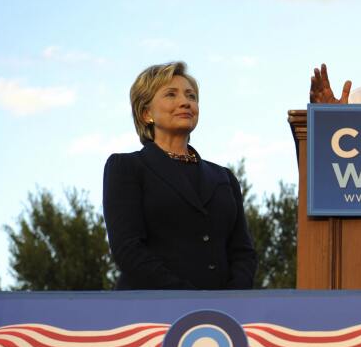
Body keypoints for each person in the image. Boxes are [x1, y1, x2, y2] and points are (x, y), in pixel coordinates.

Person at [103, 62, 256, 290]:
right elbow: (128, 248)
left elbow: (243, 252)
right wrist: (184, 297)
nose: (185, 102)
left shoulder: (224, 178)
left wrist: (231, 300)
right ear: (146, 113)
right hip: (152, 313)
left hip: (221, 318)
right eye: (171, 95)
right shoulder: (126, 167)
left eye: (191, 96)